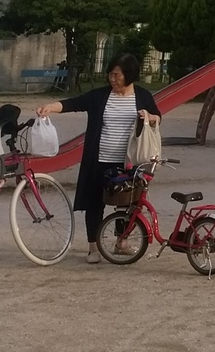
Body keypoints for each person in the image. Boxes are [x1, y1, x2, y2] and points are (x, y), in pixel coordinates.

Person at [37, 52, 161, 264]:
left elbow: (158, 116)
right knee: (94, 203)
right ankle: (93, 247)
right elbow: (73, 103)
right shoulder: (100, 96)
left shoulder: (142, 96)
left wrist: (149, 117)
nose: (112, 79)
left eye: (117, 75)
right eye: (110, 74)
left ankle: (121, 242)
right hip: (99, 158)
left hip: (128, 162)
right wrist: (51, 108)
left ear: (129, 75)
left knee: (128, 204)